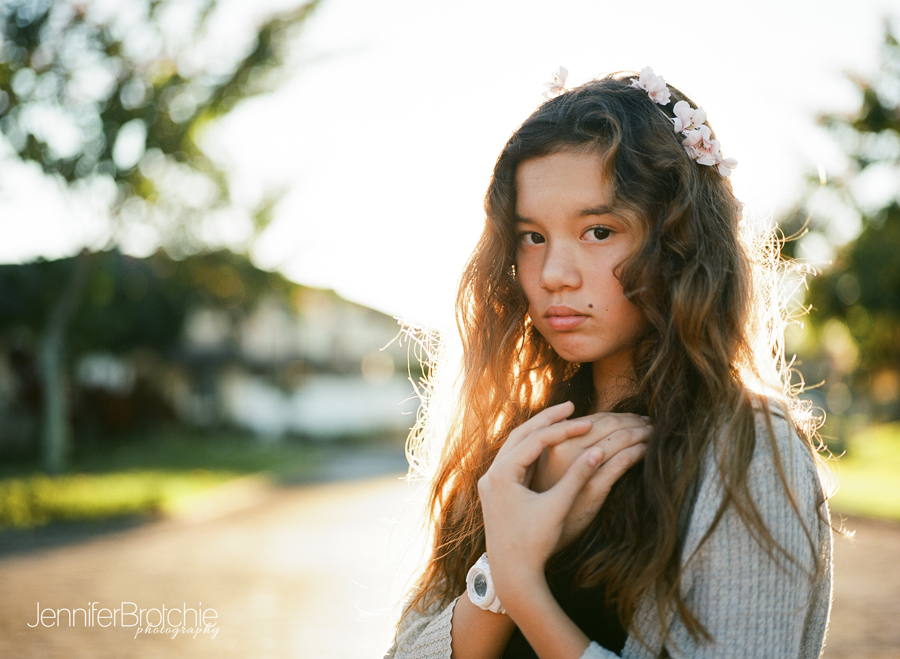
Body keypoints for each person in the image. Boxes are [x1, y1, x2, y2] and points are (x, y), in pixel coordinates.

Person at [384, 67, 833, 659]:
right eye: (531, 236)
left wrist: (525, 588)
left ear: (678, 242)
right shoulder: (516, 444)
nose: (553, 275)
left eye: (598, 231)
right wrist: (497, 571)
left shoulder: (743, 451)